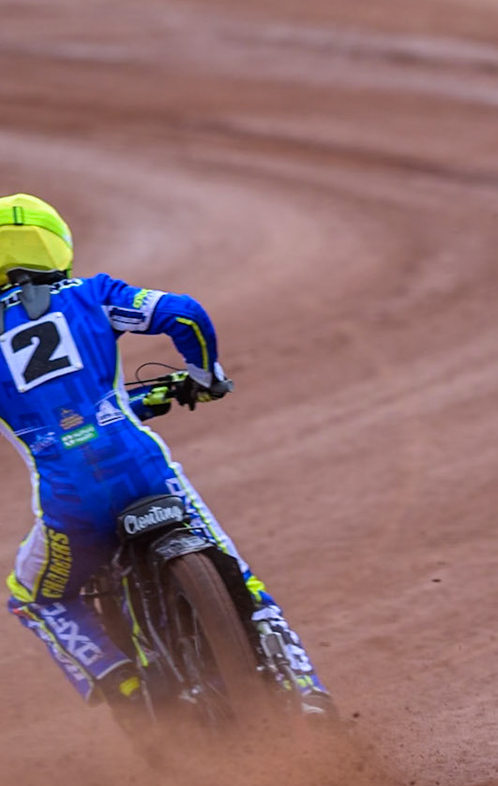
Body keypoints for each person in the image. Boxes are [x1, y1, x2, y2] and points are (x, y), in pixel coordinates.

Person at [0, 193, 328, 713]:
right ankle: (306, 692)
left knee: (35, 596)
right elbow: (184, 314)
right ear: (55, 245)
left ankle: (126, 687)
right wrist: (205, 376)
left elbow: (57, 413)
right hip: (144, 471)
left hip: (71, 503)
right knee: (240, 577)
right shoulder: (92, 293)